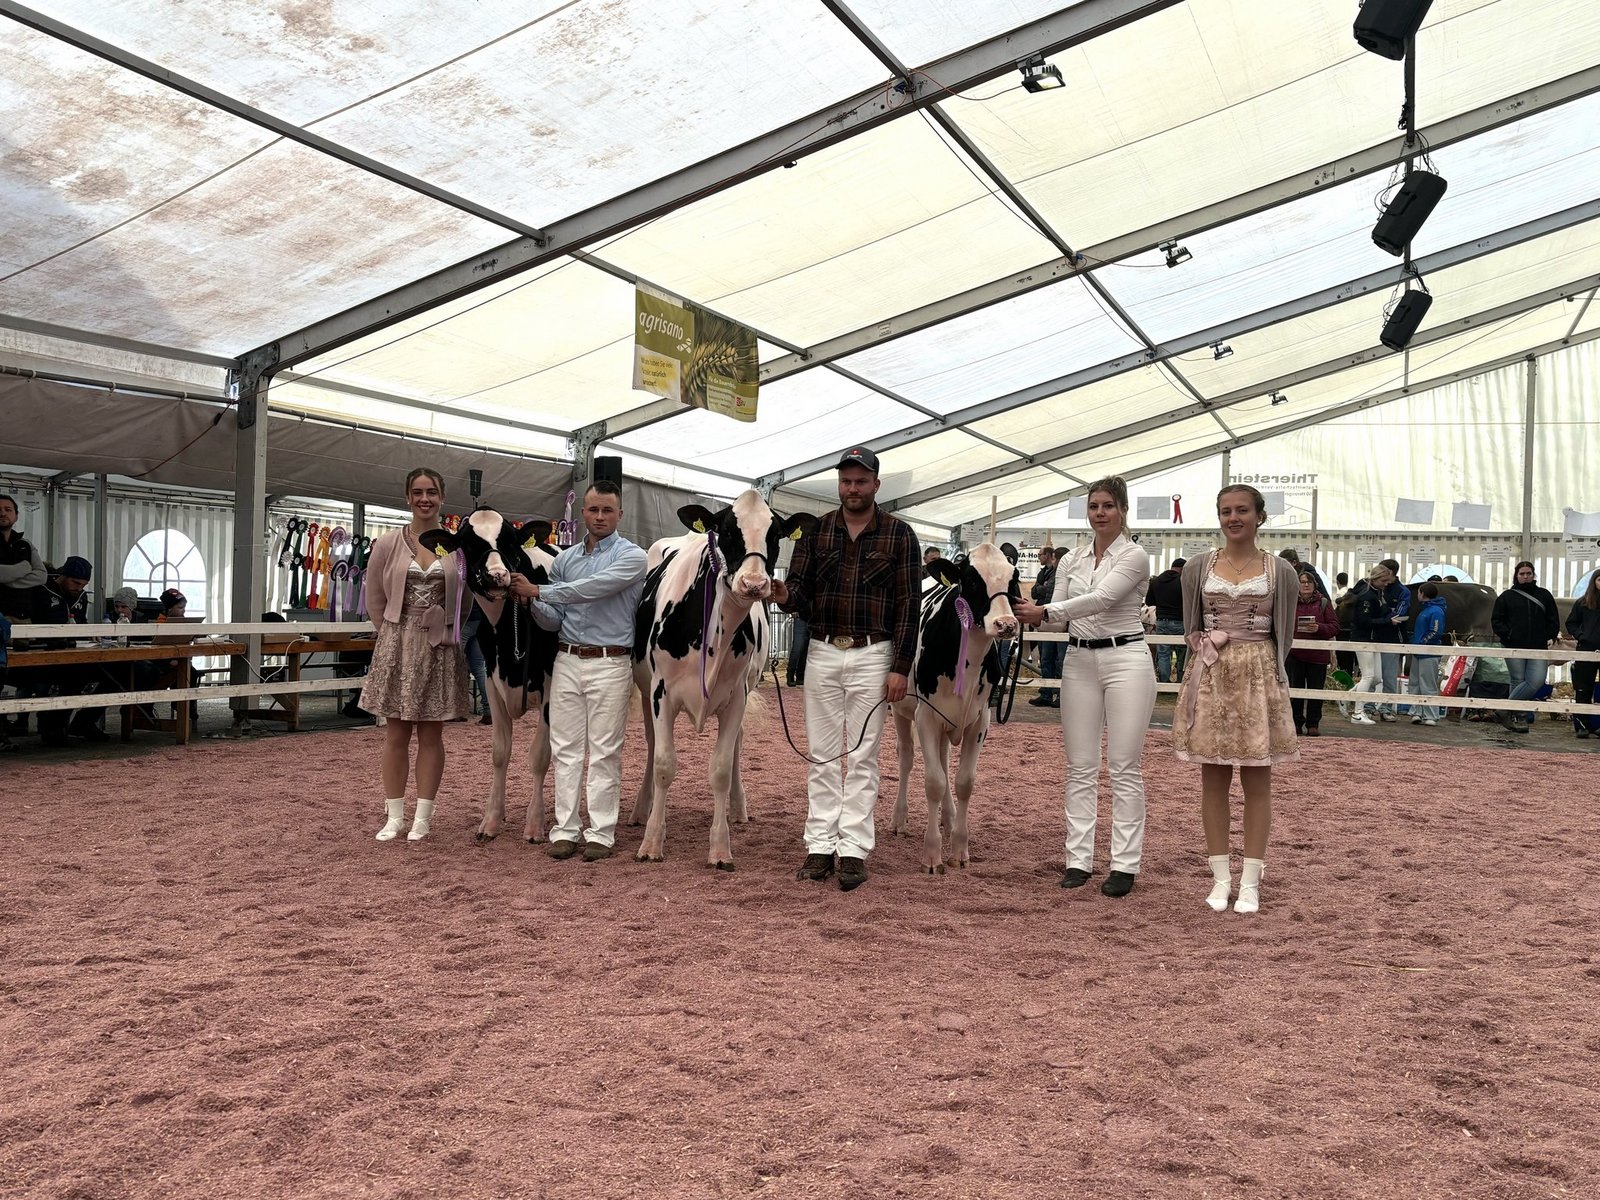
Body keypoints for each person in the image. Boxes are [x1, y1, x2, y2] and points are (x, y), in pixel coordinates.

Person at [772, 446, 920, 892]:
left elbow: (909, 605)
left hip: (874, 653)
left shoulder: (899, 534)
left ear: (876, 484)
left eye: (860, 481)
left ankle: (853, 848)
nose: (852, 488)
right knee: (820, 754)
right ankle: (819, 844)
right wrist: (783, 594)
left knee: (863, 755)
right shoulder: (815, 532)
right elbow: (800, 593)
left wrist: (901, 667)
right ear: (839, 484)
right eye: (846, 481)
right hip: (822, 650)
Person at [1014, 477, 1154, 897]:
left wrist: (1043, 611)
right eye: (1094, 506)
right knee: (1080, 766)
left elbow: (1102, 600)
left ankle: (1124, 864)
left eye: (1108, 505)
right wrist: (1018, 615)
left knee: (1124, 765)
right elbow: (1056, 620)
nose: (1100, 513)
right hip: (1078, 660)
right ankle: (1078, 859)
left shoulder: (1134, 555)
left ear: (1122, 510)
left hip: (1126, 658)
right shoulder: (1072, 558)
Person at [1172, 485, 1298, 915]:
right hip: (1211, 674)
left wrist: (1275, 677)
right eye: (1226, 511)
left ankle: (1250, 881)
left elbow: (1284, 633)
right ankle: (1220, 877)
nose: (1233, 518)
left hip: (1258, 675)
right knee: (1213, 779)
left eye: (1242, 510)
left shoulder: (1280, 570)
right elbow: (1191, 625)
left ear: (1259, 516)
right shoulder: (1198, 566)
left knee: (1258, 781)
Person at [513, 479, 647, 861]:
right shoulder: (565, 560)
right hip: (567, 658)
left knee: (605, 750)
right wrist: (531, 603)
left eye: (608, 510)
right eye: (594, 509)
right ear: (583, 513)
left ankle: (601, 833)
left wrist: (539, 591)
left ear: (620, 514)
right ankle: (565, 830)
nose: (600, 516)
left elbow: (594, 587)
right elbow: (555, 619)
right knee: (565, 748)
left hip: (611, 660)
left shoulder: (632, 557)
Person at [359, 468, 471, 842]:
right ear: (408, 497)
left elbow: (465, 601)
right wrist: (393, 634)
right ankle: (394, 816)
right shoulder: (388, 543)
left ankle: (423, 816)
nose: (425, 499)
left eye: (432, 492)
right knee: (396, 732)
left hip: (440, 646)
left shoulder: (457, 548)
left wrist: (447, 629)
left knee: (432, 733)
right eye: (418, 492)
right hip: (397, 643)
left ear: (442, 497)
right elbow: (374, 597)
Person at [30, 556, 105, 745]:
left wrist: (89, 634)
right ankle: (55, 726)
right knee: (72, 676)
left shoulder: (80, 596)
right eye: (75, 583)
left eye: (83, 585)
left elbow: (81, 622)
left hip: (72, 654)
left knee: (109, 673)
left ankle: (77, 723)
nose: (78, 588)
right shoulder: (41, 591)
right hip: (43, 654)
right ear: (63, 576)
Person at [1490, 561, 1559, 733]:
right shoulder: (1506, 596)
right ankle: (1519, 717)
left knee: (1536, 681)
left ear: (1533, 575)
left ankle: (1505, 709)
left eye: (1529, 573)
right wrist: (1509, 635)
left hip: (1538, 646)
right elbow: (1497, 620)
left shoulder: (1544, 595)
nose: (1526, 576)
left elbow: (1553, 618)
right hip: (1513, 645)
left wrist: (1549, 635)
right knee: (1517, 680)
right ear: (1516, 575)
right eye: (1522, 574)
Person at [1348, 563, 1407, 724]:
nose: (1386, 584)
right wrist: (1388, 621)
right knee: (1368, 676)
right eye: (1383, 581)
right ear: (1375, 579)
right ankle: (1358, 712)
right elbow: (1364, 621)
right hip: (1363, 639)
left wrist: (1388, 616)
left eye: (1387, 581)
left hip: (1373, 639)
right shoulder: (1367, 597)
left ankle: (1347, 697)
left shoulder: (1377, 594)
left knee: (1376, 678)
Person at [1287, 568, 1339, 737]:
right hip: (1294, 654)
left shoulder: (1324, 603)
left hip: (1318, 655)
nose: (1306, 585)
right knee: (1295, 690)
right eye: (1302, 582)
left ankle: (1313, 723)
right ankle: (1296, 723)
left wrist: (1319, 628)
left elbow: (1335, 626)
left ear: (1315, 585)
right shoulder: (1289, 602)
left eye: (1309, 582)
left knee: (1316, 691)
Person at [1565, 570, 1600, 739]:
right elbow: (1571, 623)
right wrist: (1581, 636)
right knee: (1583, 688)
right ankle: (1582, 726)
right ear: (1594, 582)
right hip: (1586, 650)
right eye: (1599, 580)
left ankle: (1597, 725)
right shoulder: (1583, 603)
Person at [0, 494, 46, 620]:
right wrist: (23, 568)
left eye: (8, 510)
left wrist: (6, 579)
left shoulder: (25, 544)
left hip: (23, 617)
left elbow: (41, 576)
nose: (3, 513)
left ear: (16, 516)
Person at [1408, 582, 1447, 726]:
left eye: (1419, 592)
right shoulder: (1427, 610)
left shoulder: (1435, 611)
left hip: (1429, 652)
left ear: (1422, 594)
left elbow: (1436, 631)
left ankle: (1430, 715)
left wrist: (1422, 642)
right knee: (1415, 682)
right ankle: (1416, 712)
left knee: (1428, 684)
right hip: (1419, 651)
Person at [1145, 556, 1187, 685]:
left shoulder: (1156, 581)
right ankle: (1180, 681)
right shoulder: (1183, 581)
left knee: (1163, 652)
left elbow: (1149, 601)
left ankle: (1164, 681)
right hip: (1180, 621)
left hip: (1161, 621)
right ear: (1182, 569)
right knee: (1181, 652)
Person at [1028, 546, 1061, 707]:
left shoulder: (1060, 575)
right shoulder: (1043, 573)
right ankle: (1046, 693)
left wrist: (1041, 587)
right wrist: (1041, 587)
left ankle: (1059, 694)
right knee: (1046, 657)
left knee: (1060, 659)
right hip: (1046, 618)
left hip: (1059, 620)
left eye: (1040, 554)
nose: (1039, 557)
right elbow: (1034, 592)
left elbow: (1050, 590)